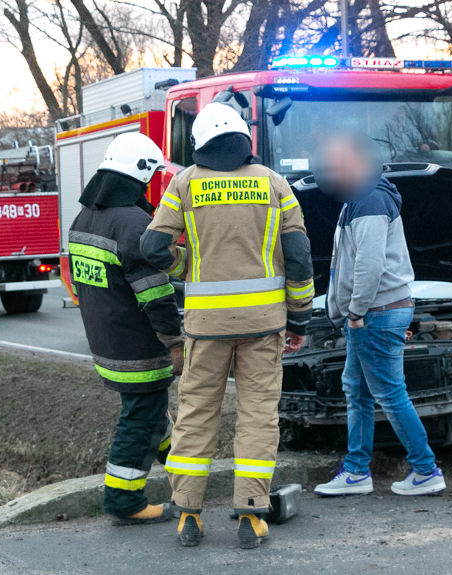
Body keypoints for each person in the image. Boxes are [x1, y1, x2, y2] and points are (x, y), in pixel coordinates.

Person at [140, 102, 315, 549]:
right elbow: (297, 258)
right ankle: (252, 515)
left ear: (199, 144)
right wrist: (299, 318)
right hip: (265, 325)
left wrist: (187, 267)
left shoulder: (185, 184)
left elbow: (153, 246)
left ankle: (188, 515)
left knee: (196, 415)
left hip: (205, 327)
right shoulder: (274, 184)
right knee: (258, 416)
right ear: (245, 141)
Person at [312, 131, 446, 497]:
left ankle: (425, 469)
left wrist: (354, 312)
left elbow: (369, 266)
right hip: (375, 313)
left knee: (388, 393)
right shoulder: (363, 196)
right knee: (357, 390)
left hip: (375, 313)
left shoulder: (369, 200)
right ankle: (356, 471)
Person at [68, 132, 184, 524]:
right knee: (141, 419)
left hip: (107, 344)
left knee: (151, 412)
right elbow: (155, 294)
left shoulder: (84, 218)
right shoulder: (134, 224)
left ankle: (183, 474)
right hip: (139, 348)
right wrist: (175, 341)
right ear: (139, 175)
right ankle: (125, 500)